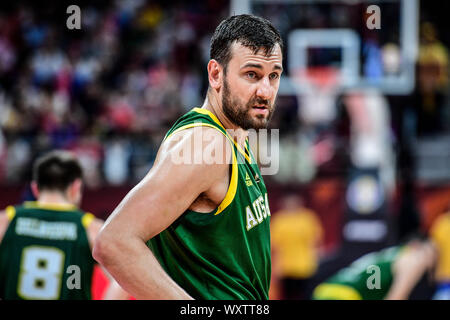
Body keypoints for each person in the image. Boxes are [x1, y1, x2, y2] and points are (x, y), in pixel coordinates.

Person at [93, 14, 284, 300]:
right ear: (216, 74)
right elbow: (112, 243)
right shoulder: (205, 143)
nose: (266, 90)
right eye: (252, 75)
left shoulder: (235, 137)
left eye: (274, 76)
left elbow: (152, 251)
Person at [0, 150, 126, 300]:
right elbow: (122, 280)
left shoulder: (7, 219)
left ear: (35, 188)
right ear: (76, 187)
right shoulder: (89, 227)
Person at [312, 237, 437, 300]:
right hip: (345, 295)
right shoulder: (414, 259)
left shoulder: (392, 254)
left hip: (325, 290)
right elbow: (397, 296)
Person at [271, 194, 323, 299]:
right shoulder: (279, 220)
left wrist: (317, 258)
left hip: (305, 266)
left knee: (306, 295)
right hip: (285, 267)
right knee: (287, 295)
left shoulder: (308, 218)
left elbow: (316, 241)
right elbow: (273, 245)